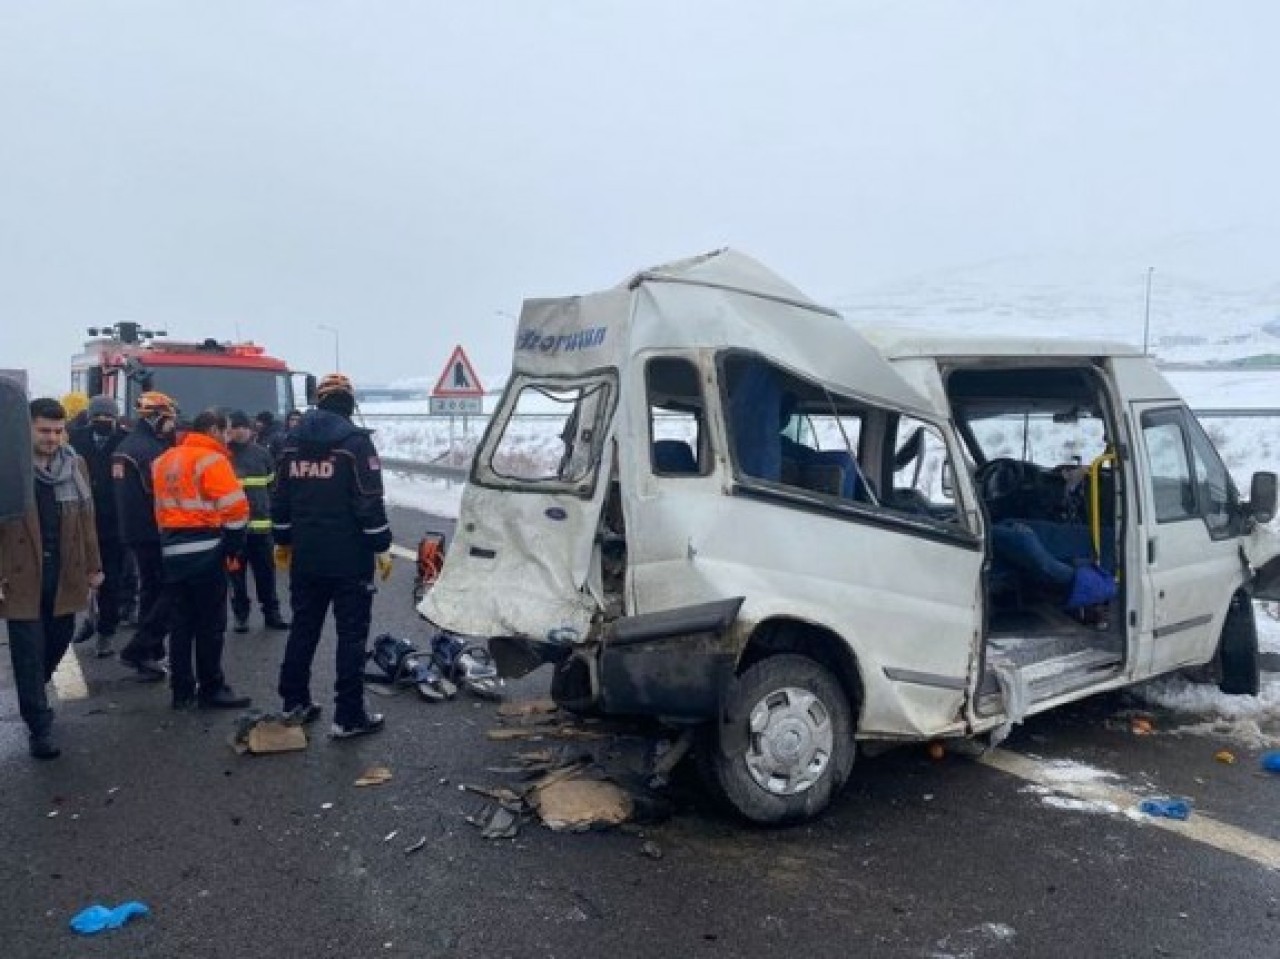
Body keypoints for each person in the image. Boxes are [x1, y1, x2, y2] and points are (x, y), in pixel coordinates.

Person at [273, 374, 392, 738]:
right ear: (348, 403)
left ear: (319, 401)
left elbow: (280, 497)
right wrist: (381, 545)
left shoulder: (291, 443)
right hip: (349, 559)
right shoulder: (355, 443)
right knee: (351, 637)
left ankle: (293, 702)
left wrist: (283, 540)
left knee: (303, 629)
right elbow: (368, 500)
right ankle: (349, 716)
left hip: (306, 557)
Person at [0, 398, 103, 758]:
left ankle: (33, 690)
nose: (52, 438)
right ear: (27, 428)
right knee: (28, 652)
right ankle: (39, 727)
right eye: (44, 430)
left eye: (58, 431)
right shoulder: (8, 466)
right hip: (21, 574)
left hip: (64, 572)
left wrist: (94, 566)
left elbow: (88, 518)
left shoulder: (75, 465)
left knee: (58, 640)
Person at [153, 409, 252, 709]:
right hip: (206, 548)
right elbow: (235, 508)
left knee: (181, 623)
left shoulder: (164, 459)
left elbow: (159, 508)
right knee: (210, 624)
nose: (227, 438)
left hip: (172, 549)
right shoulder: (212, 460)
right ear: (213, 430)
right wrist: (234, 546)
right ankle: (212, 687)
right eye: (225, 431)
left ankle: (181, 690)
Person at [113, 391, 178, 680]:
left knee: (151, 590)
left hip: (137, 532)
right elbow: (158, 493)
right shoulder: (149, 450)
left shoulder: (130, 446)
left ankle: (150, 653)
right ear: (156, 418)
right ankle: (141, 650)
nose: (173, 424)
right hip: (153, 531)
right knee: (167, 591)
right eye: (169, 418)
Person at [68, 395, 128, 657]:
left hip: (114, 523)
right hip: (81, 520)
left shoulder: (124, 441)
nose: (102, 420)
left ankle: (106, 630)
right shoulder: (75, 439)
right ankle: (90, 619)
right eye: (98, 416)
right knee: (83, 576)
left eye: (108, 416)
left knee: (111, 579)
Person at [226, 410, 288, 632]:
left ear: (250, 429)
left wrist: (271, 512)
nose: (239, 432)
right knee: (236, 577)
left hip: (261, 530)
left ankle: (272, 614)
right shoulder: (223, 455)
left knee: (266, 575)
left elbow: (273, 486)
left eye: (243, 427)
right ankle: (240, 615)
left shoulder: (262, 454)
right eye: (235, 427)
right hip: (233, 531)